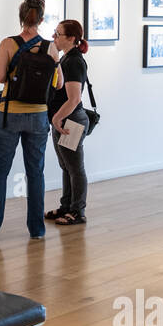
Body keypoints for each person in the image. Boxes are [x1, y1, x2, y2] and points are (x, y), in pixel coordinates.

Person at [0, 0, 61, 240]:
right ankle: (37, 230)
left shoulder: (7, 43)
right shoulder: (50, 47)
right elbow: (59, 83)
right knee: (35, 172)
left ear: (21, 17)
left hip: (9, 114)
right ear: (42, 19)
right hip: (38, 116)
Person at [46, 20, 92, 225]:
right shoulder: (67, 59)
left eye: (58, 34)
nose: (54, 37)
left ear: (71, 38)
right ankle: (66, 206)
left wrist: (57, 118)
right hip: (65, 121)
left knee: (74, 168)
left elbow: (74, 98)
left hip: (70, 121)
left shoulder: (74, 62)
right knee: (66, 166)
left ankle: (78, 211)